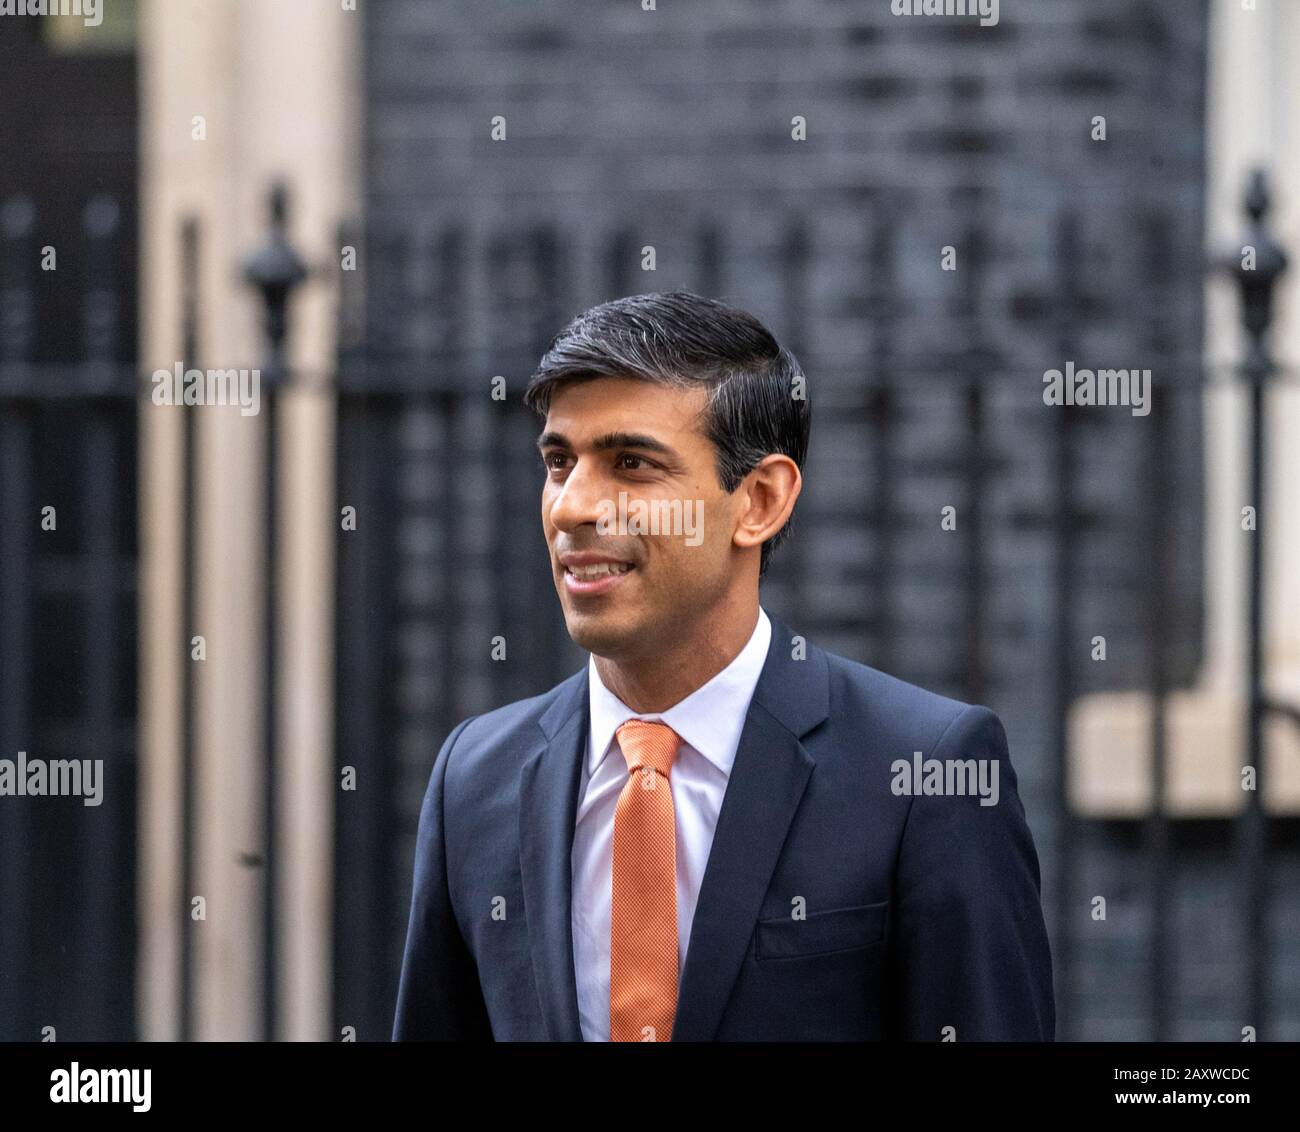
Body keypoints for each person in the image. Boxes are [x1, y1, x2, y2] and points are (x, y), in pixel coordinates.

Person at [393, 289, 1055, 1041]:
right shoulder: (474, 777)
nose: (571, 507)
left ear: (760, 501)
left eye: (631, 463)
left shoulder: (924, 771)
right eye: (558, 462)